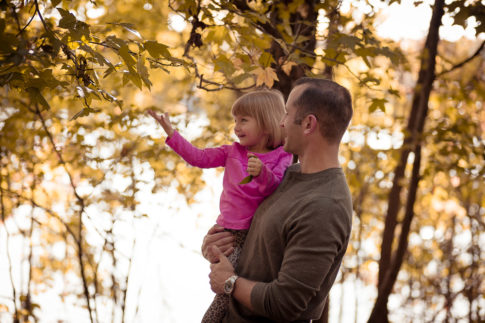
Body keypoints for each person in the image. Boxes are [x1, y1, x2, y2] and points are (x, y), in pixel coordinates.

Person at [203, 78, 354, 322]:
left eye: (286, 113)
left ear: (308, 124)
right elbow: (260, 242)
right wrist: (216, 245)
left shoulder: (326, 206)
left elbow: (286, 303)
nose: (280, 122)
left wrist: (229, 282)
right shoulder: (290, 175)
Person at [147, 90, 293, 323]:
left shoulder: (283, 156)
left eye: (244, 120)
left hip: (257, 235)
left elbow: (275, 188)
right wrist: (171, 133)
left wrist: (262, 174)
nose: (236, 126)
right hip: (229, 233)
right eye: (235, 120)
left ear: (266, 122)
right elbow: (198, 157)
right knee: (226, 290)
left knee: (242, 290)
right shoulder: (231, 152)